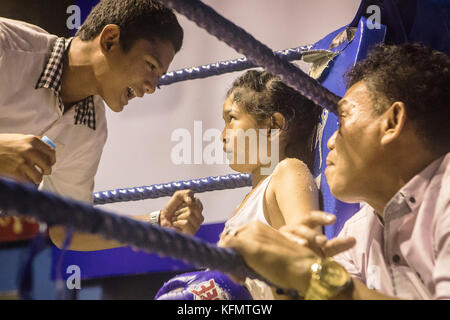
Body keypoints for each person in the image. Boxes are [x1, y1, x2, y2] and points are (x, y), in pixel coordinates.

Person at [220, 43, 450, 300]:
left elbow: (322, 279)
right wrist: (286, 282)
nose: (330, 141)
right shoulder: (357, 235)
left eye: (341, 121)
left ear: (392, 122)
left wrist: (309, 272)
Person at [0, 0, 204, 251]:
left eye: (158, 77)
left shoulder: (90, 129)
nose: (152, 86)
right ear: (109, 40)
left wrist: (157, 223)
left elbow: (68, 230)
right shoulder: (6, 47)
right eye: (151, 65)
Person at [155, 70, 323, 300]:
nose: (222, 135)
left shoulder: (288, 172)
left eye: (231, 119)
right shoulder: (250, 199)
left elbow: (311, 269)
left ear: (272, 126)